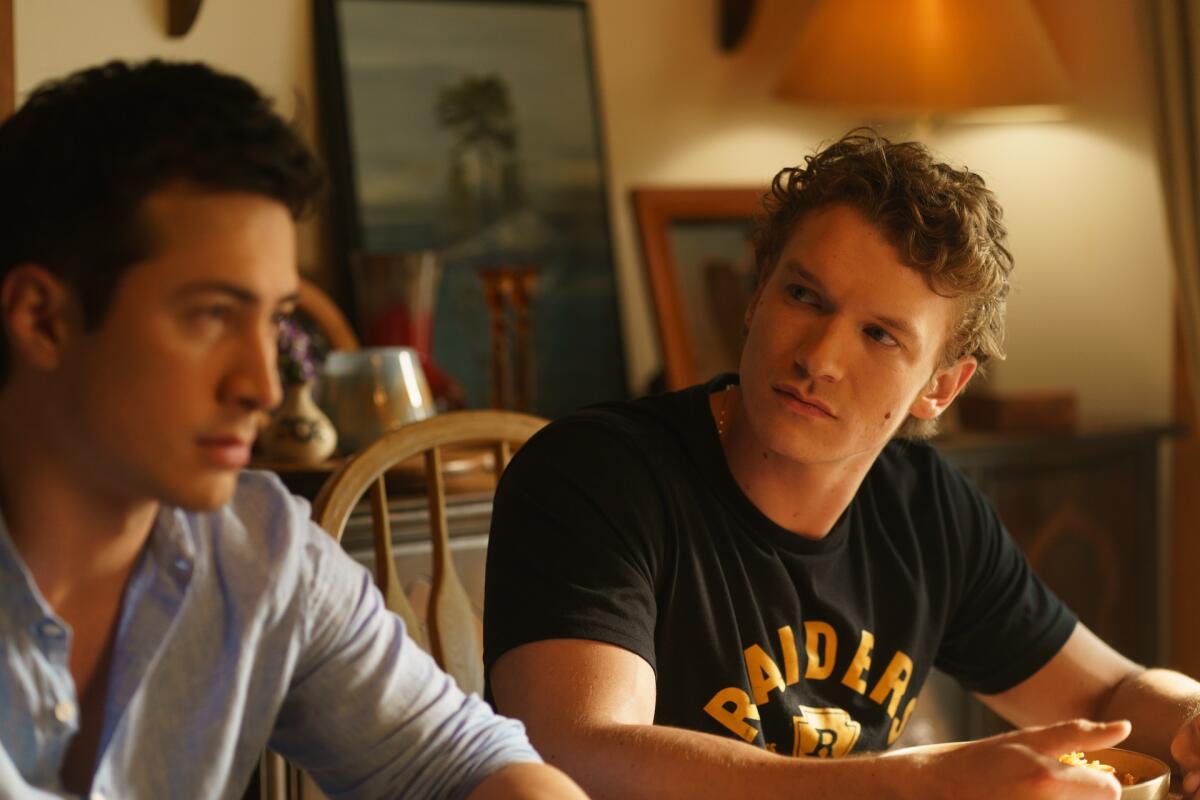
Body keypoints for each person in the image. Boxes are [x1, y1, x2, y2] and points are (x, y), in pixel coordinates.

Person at [483, 130, 1200, 799]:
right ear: (757, 294)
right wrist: (916, 783)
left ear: (940, 387)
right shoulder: (595, 474)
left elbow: (1111, 695)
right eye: (804, 296)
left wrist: (1191, 720)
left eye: (880, 335)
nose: (819, 358)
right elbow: (576, 751)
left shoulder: (927, 510)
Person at [0, 60, 587, 800]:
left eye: (274, 321)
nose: (264, 387)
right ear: (43, 320)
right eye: (211, 315)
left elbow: (461, 761)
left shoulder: (260, 550)